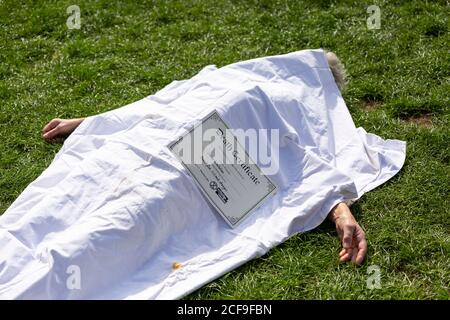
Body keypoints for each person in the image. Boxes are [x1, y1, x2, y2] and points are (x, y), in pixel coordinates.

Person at [40, 51, 367, 266]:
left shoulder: (293, 111)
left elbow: (300, 162)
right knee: (68, 200)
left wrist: (338, 210)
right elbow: (158, 104)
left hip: (198, 179)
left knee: (116, 227)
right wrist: (89, 122)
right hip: (150, 145)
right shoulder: (222, 79)